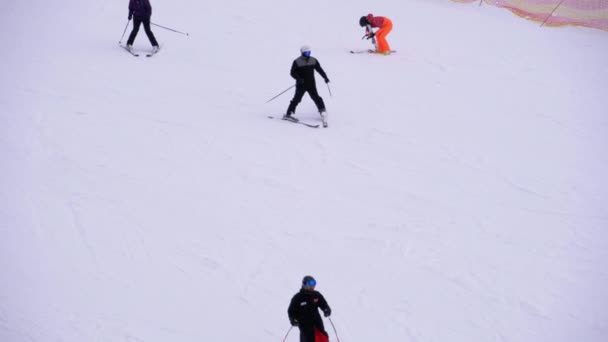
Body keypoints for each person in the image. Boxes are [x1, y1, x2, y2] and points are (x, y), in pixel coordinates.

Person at [284, 45, 330, 125]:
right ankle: (289, 113)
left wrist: (325, 77)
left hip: (311, 84)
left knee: (316, 97)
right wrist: (298, 79)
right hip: (301, 85)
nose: (308, 54)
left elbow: (319, 69)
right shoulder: (297, 61)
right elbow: (292, 72)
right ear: (302, 53)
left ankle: (322, 110)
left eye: (309, 52)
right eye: (306, 53)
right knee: (297, 99)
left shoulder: (313, 60)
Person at [288, 275, 332, 342]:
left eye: (313, 283)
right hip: (304, 324)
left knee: (322, 337)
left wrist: (326, 309)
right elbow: (291, 311)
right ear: (304, 284)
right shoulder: (297, 298)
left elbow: (323, 304)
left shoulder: (316, 295)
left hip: (317, 321)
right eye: (309, 284)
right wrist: (293, 319)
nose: (312, 286)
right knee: (308, 339)